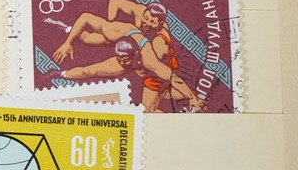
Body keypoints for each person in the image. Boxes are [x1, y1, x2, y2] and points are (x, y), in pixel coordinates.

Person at [50, 35, 205, 113]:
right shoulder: (119, 63)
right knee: (90, 70)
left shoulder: (150, 60)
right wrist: (61, 74)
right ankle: (61, 73)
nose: (122, 62)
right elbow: (87, 71)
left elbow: (172, 77)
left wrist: (192, 98)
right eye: (119, 58)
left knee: (148, 111)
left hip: (157, 78)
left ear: (136, 54)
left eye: (125, 59)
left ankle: (193, 99)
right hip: (151, 81)